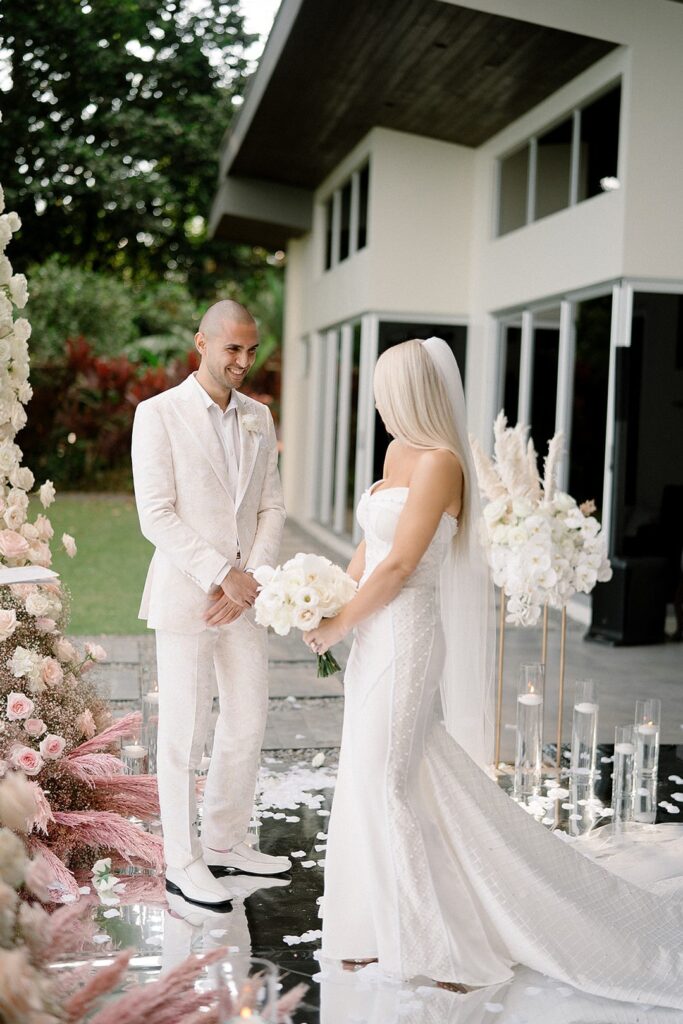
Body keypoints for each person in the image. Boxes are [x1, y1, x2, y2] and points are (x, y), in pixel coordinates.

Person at [303, 338, 683, 1008]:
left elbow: (401, 565)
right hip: (370, 635)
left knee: (385, 782)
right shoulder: (395, 454)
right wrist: (324, 598)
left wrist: (340, 622)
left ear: (410, 394)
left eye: (385, 392)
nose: (377, 404)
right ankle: (366, 927)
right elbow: (370, 548)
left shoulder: (444, 464)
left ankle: (440, 947)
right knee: (372, 775)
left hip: (407, 636)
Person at [132, 300, 289, 909]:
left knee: (247, 719)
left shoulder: (260, 417)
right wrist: (222, 575)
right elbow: (156, 514)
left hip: (245, 598)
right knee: (185, 729)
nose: (244, 362)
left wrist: (253, 576)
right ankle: (182, 860)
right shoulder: (158, 414)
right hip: (188, 598)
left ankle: (224, 842)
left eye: (251, 351)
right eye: (233, 350)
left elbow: (271, 504)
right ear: (202, 342)